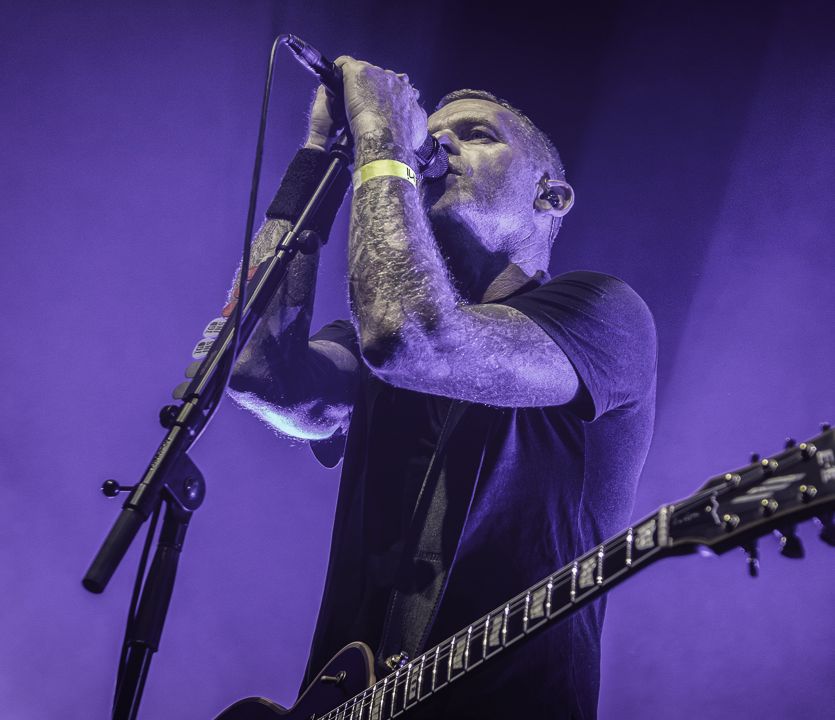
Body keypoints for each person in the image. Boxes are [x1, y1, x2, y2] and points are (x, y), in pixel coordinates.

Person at [225, 57, 657, 719]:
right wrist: (316, 156)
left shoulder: (602, 312)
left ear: (550, 196)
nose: (442, 142)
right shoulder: (370, 338)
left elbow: (412, 339)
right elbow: (259, 370)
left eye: (478, 134)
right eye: (431, 133)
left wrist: (385, 143)